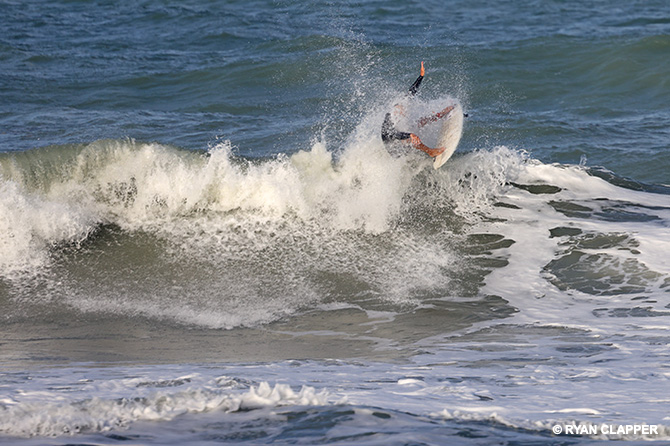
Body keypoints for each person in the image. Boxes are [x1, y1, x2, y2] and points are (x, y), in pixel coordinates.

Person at [381, 61, 455, 158]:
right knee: (411, 138)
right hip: (396, 151)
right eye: (400, 111)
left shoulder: (401, 109)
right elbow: (392, 135)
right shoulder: (389, 121)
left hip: (401, 142)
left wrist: (421, 76)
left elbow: (411, 92)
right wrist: (409, 135)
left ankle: (440, 115)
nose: (403, 112)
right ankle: (430, 152)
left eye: (403, 109)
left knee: (420, 122)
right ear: (394, 111)